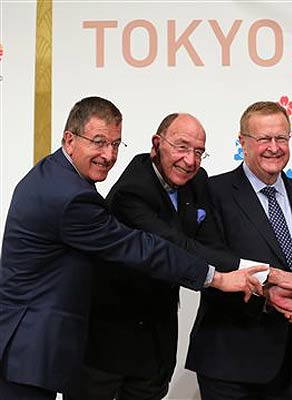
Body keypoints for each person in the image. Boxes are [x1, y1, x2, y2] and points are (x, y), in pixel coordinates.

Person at [0, 97, 265, 400]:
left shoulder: (55, 172)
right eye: (98, 142)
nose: (108, 155)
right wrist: (216, 278)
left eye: (115, 144)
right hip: (30, 347)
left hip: (31, 343)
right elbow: (140, 248)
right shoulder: (72, 197)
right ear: (69, 140)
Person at [77, 113, 244, 399]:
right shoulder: (132, 191)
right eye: (182, 147)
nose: (190, 161)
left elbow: (211, 243)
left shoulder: (197, 180)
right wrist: (246, 271)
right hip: (107, 342)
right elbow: (176, 246)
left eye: (199, 152)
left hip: (158, 339)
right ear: (157, 144)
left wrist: (256, 278)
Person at [186, 101, 292, 400]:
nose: (274, 147)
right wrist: (268, 291)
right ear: (242, 142)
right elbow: (206, 258)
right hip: (230, 362)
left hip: (290, 361)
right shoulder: (212, 191)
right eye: (264, 139)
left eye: (281, 138)